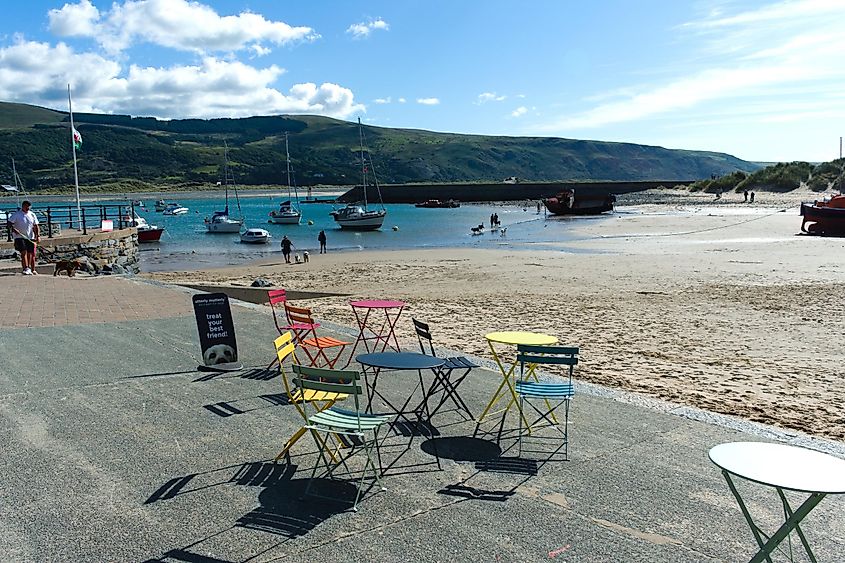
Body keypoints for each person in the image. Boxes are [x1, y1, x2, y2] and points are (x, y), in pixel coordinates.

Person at [7, 200, 40, 275]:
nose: (28, 208)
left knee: (30, 253)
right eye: (26, 206)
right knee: (23, 251)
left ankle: (29, 267)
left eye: (29, 206)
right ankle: (26, 268)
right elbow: (9, 223)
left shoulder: (32, 214)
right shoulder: (16, 215)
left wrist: (37, 236)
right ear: (23, 206)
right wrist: (13, 229)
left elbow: (36, 226)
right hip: (19, 236)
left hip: (30, 236)